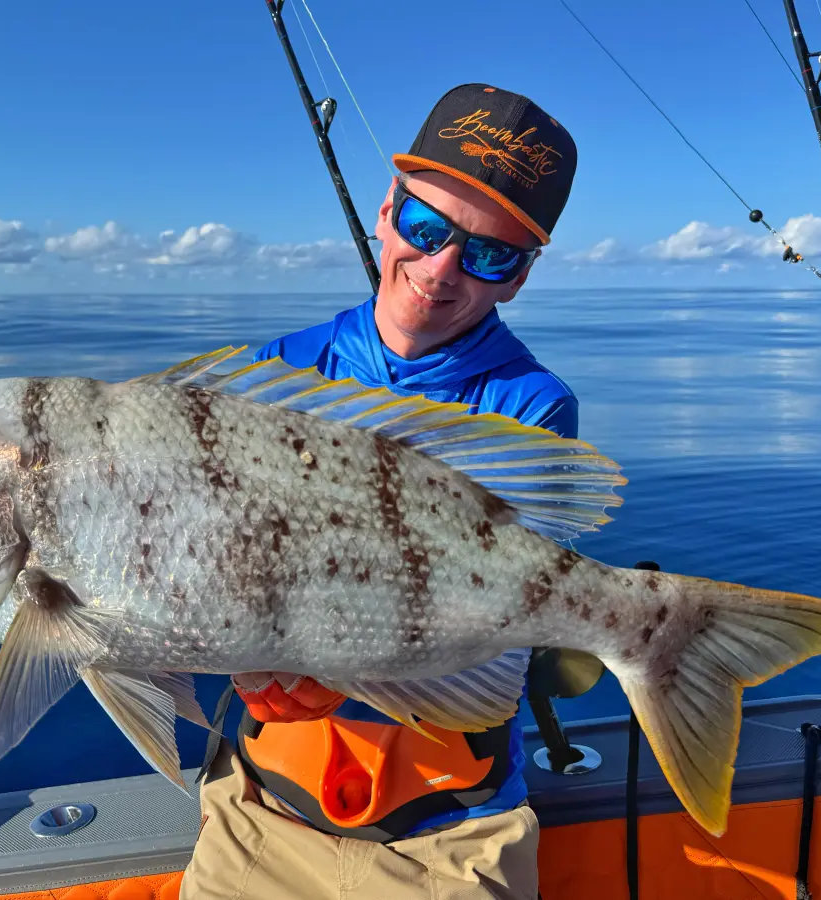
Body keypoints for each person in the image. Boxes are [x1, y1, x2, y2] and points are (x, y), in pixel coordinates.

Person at [179, 83, 579, 900]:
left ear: (520, 276)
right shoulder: (271, 374)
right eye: (426, 228)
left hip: (451, 834)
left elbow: (503, 619)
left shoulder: (533, 407)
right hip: (262, 810)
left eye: (489, 255)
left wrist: (336, 665)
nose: (440, 269)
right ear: (387, 210)